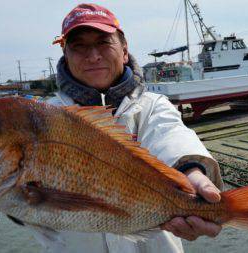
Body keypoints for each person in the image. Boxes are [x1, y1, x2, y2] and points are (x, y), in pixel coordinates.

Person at [25, 3, 224, 253]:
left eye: (103, 42)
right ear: (65, 54)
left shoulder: (152, 106)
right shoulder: (45, 118)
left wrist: (191, 172)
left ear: (125, 50)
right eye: (79, 46)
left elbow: (170, 135)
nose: (93, 55)